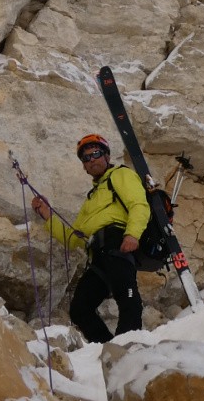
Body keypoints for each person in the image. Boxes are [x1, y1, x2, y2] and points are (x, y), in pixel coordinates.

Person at [30, 133, 150, 343]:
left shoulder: (120, 175)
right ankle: (106, 349)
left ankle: (128, 345)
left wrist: (132, 234)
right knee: (80, 309)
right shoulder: (92, 197)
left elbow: (138, 204)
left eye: (95, 154)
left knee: (127, 295)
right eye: (86, 158)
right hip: (98, 253)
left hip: (117, 241)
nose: (91, 159)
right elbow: (74, 238)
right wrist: (47, 214)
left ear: (106, 155)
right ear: (84, 166)